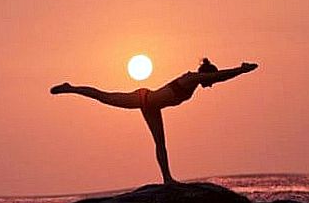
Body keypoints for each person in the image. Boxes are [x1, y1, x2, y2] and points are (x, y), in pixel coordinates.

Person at [50, 58, 259, 184]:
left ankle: (167, 178)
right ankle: (71, 88)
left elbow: (217, 78)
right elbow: (220, 76)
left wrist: (239, 70)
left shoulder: (193, 81)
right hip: (144, 99)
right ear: (206, 76)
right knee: (104, 96)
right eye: (210, 81)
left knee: (160, 143)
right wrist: (241, 70)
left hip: (151, 106)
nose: (211, 85)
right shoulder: (192, 78)